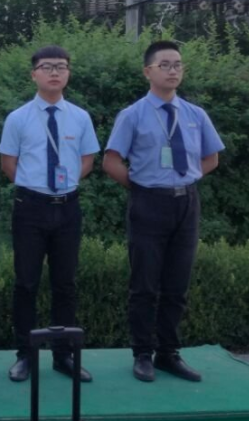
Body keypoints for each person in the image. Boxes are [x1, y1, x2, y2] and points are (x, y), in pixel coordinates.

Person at [103, 40, 224, 383]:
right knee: (144, 285)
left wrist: (185, 180)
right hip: (148, 204)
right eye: (165, 65)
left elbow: (212, 158)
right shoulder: (133, 114)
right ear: (148, 71)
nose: (173, 71)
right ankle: (142, 353)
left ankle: (168, 353)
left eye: (178, 65)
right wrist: (143, 187)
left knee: (177, 284)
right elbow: (111, 161)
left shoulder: (195, 114)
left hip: (186, 204)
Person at [0, 45, 99, 383]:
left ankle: (63, 355)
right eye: (47, 67)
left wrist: (64, 185)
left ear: (68, 73)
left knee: (65, 283)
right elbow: (8, 164)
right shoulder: (18, 118)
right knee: (26, 283)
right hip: (30, 208)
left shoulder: (80, 117)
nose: (54, 72)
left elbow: (87, 160)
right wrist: (36, 188)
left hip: (67, 208)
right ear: (34, 74)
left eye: (61, 66)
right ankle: (25, 355)